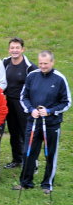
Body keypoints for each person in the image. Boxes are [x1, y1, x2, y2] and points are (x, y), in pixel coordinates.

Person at [13, 51, 71, 194]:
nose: (43, 66)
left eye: (46, 63)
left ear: (52, 62)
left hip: (51, 124)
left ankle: (47, 184)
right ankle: (26, 182)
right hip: (33, 122)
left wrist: (50, 111)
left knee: (50, 154)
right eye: (40, 63)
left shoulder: (59, 79)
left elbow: (67, 102)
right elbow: (23, 97)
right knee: (28, 152)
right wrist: (31, 109)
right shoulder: (32, 76)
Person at [2, 37, 37, 169]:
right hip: (8, 102)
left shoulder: (29, 66)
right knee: (13, 133)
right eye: (12, 48)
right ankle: (17, 159)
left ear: (22, 49)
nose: (14, 50)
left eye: (17, 48)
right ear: (9, 49)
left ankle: (31, 162)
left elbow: (35, 88)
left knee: (26, 133)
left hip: (23, 104)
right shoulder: (5, 62)